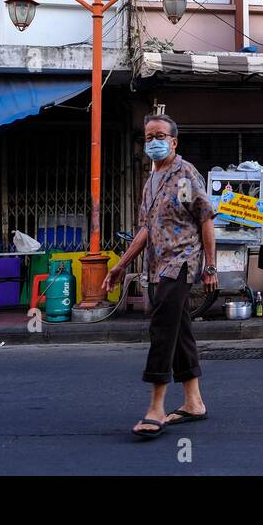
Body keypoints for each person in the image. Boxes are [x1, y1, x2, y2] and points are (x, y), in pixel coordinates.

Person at [102, 113, 217, 441]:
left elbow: (206, 218)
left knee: (162, 328)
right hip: (155, 265)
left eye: (160, 136)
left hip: (180, 264)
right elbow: (145, 230)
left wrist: (210, 266)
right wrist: (121, 265)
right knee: (179, 329)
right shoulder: (151, 181)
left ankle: (156, 407)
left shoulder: (184, 174)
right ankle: (194, 402)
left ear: (174, 141)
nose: (153, 142)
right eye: (148, 136)